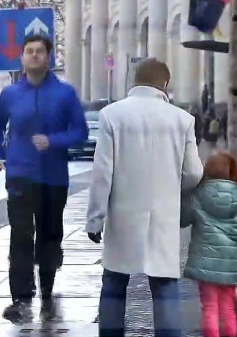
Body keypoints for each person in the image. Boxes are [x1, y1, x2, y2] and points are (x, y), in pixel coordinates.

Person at [85, 58, 204, 337]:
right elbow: (194, 173)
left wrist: (95, 220)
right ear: (165, 84)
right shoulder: (182, 119)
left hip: (122, 215)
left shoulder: (111, 115)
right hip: (163, 215)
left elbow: (102, 174)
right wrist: (175, 191)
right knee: (164, 286)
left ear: (134, 82)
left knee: (114, 283)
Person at [0, 34, 88, 323]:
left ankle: (47, 289)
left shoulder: (65, 93)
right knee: (20, 235)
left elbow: (80, 132)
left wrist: (53, 141)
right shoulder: (10, 95)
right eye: (29, 51)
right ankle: (20, 297)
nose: (33, 56)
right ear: (21, 58)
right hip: (19, 174)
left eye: (39, 52)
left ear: (49, 59)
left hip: (53, 177)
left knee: (49, 234)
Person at [181, 152, 237, 337]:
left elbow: (182, 220)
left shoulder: (198, 196)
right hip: (231, 265)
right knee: (228, 309)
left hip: (204, 264)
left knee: (210, 308)